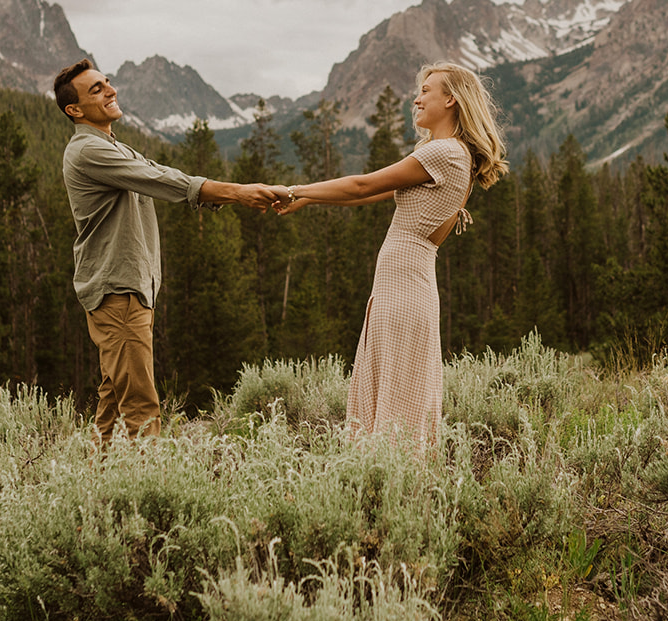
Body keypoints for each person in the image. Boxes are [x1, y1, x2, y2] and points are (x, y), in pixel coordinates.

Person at [272, 62, 507, 446]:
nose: (417, 98)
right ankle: (386, 490)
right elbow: (372, 193)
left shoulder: (446, 152)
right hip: (403, 289)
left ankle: (390, 491)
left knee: (397, 409)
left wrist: (297, 190)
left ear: (450, 99)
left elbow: (363, 184)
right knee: (396, 401)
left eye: (426, 90)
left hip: (404, 293)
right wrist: (308, 198)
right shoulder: (451, 154)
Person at [55, 59, 277, 441]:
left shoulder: (111, 146)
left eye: (107, 83)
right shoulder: (88, 151)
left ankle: (94, 490)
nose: (110, 90)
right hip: (117, 292)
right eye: (96, 89)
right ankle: (152, 492)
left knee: (112, 401)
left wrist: (221, 196)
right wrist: (237, 192)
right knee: (141, 406)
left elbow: (158, 171)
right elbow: (161, 179)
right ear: (74, 110)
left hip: (127, 291)